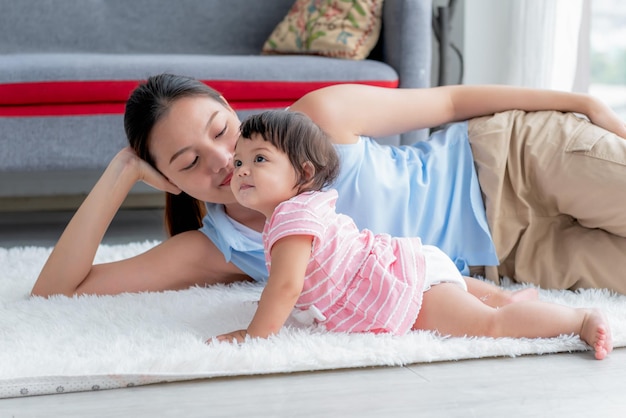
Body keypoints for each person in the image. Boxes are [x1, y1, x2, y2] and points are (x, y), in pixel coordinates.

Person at [31, 73, 626, 299]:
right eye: (188, 163)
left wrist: (579, 101)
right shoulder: (223, 249)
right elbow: (58, 292)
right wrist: (121, 172)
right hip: (507, 260)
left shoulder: (315, 117)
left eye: (222, 130)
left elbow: (450, 100)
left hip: (515, 161)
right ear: (168, 180)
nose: (221, 161)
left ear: (234, 112)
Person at [213, 110, 612, 361]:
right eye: (239, 162)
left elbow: (285, 286)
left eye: (259, 159)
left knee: (492, 325)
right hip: (409, 266)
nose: (242, 170)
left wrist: (254, 335)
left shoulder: (290, 218)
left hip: (401, 290)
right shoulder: (302, 209)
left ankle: (576, 321)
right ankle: (506, 295)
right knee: (478, 297)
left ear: (302, 173)